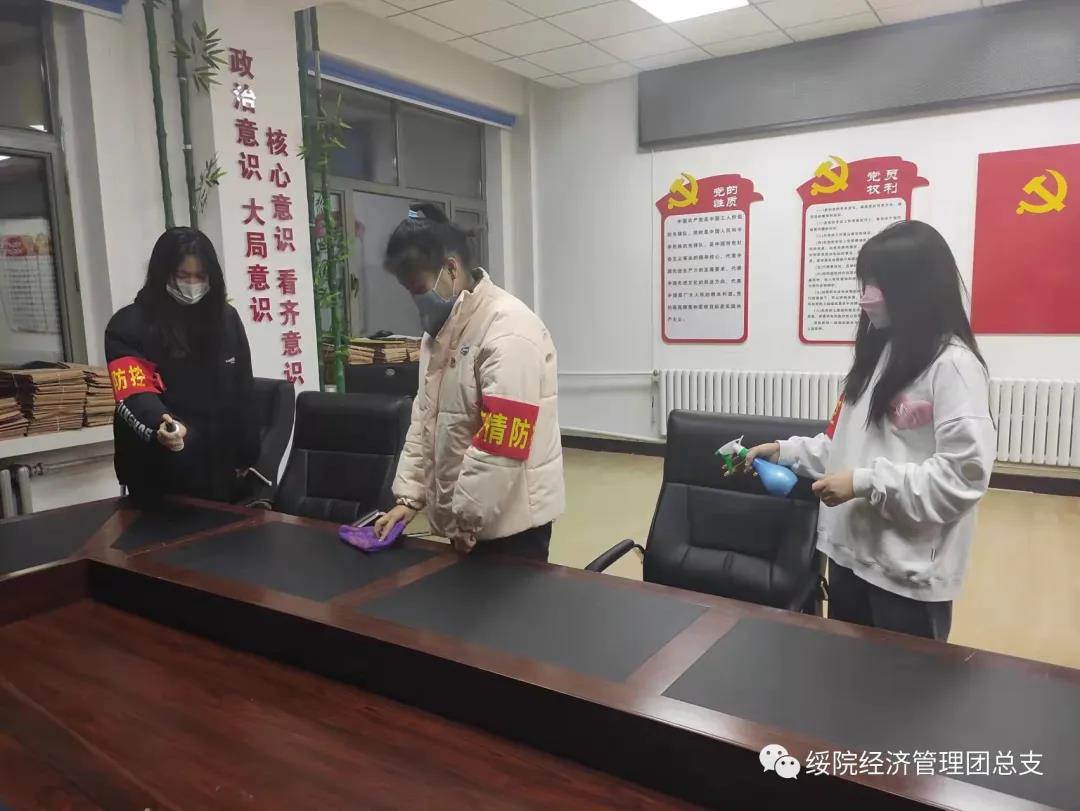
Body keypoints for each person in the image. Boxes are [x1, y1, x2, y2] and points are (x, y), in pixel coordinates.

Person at [743, 221, 995, 641]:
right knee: (847, 673)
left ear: (916, 288)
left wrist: (864, 483)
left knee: (904, 680)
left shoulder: (953, 366)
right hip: (849, 558)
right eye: (866, 282)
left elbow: (962, 478)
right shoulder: (879, 354)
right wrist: (784, 451)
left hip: (906, 575)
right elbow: (846, 448)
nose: (867, 297)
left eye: (879, 283)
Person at [373, 205, 564, 561]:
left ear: (450, 268)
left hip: (512, 526)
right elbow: (425, 418)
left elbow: (503, 440)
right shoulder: (441, 331)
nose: (415, 299)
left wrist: (467, 519)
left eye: (418, 288)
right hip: (468, 522)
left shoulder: (509, 331)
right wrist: (409, 498)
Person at [105, 227, 258, 503]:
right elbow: (135, 391)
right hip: (155, 467)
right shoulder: (128, 325)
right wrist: (164, 424)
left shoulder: (226, 320)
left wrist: (247, 453)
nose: (192, 284)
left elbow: (243, 389)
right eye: (183, 276)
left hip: (217, 466)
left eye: (200, 276)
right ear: (163, 273)